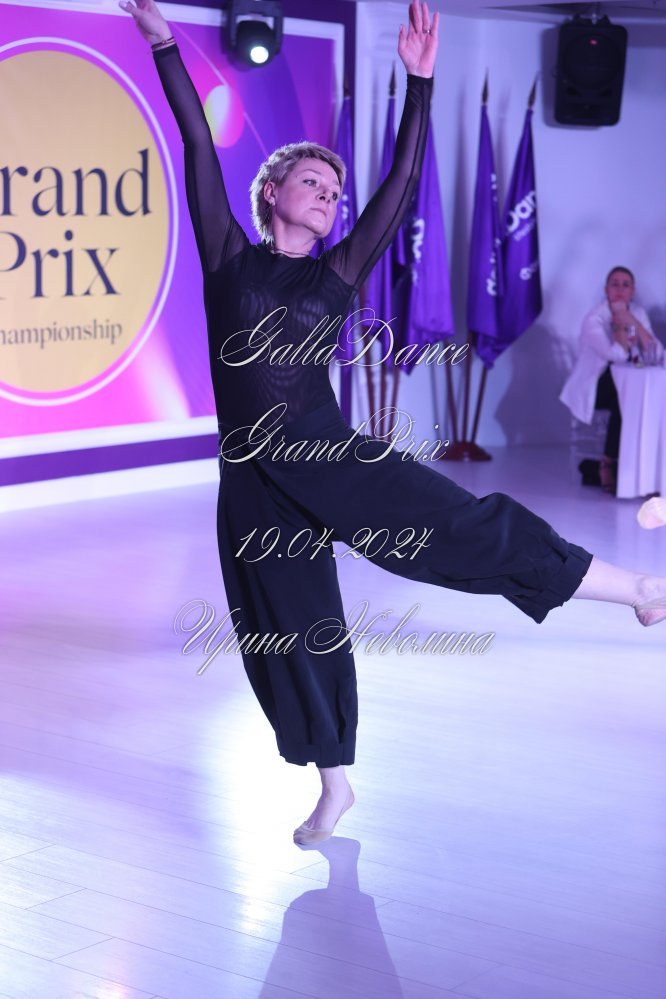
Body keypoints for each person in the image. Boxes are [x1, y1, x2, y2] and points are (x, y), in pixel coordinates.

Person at [120, 0, 666, 846]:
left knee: (465, 528)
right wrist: (163, 43)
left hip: (331, 457)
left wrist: (419, 83)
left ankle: (635, 590)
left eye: (334, 191)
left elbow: (399, 186)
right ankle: (334, 784)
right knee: (286, 632)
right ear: (272, 192)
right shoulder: (228, 257)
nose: (329, 196)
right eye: (313, 182)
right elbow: (196, 141)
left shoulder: (334, 274)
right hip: (253, 483)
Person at [559, 266, 664, 493]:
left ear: (632, 291)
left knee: (642, 398)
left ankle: (648, 471)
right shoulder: (594, 319)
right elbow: (617, 355)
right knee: (625, 400)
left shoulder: (638, 312)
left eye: (625, 285)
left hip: (627, 385)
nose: (620, 289)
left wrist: (632, 320)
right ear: (606, 289)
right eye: (615, 284)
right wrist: (619, 323)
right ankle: (608, 463)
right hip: (594, 387)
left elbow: (657, 352)